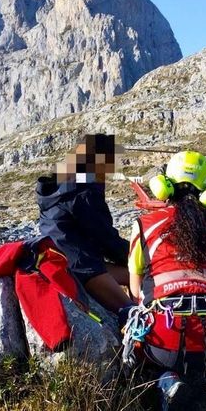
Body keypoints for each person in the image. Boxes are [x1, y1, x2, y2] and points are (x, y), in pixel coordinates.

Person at [125, 151, 206, 411]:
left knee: (133, 321)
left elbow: (135, 292)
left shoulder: (144, 225)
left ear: (164, 185)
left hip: (165, 342)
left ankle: (167, 379)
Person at [36, 134, 134, 316]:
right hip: (82, 267)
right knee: (134, 312)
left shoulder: (63, 183)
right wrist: (135, 256)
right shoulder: (83, 190)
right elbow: (104, 236)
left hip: (62, 262)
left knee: (133, 274)